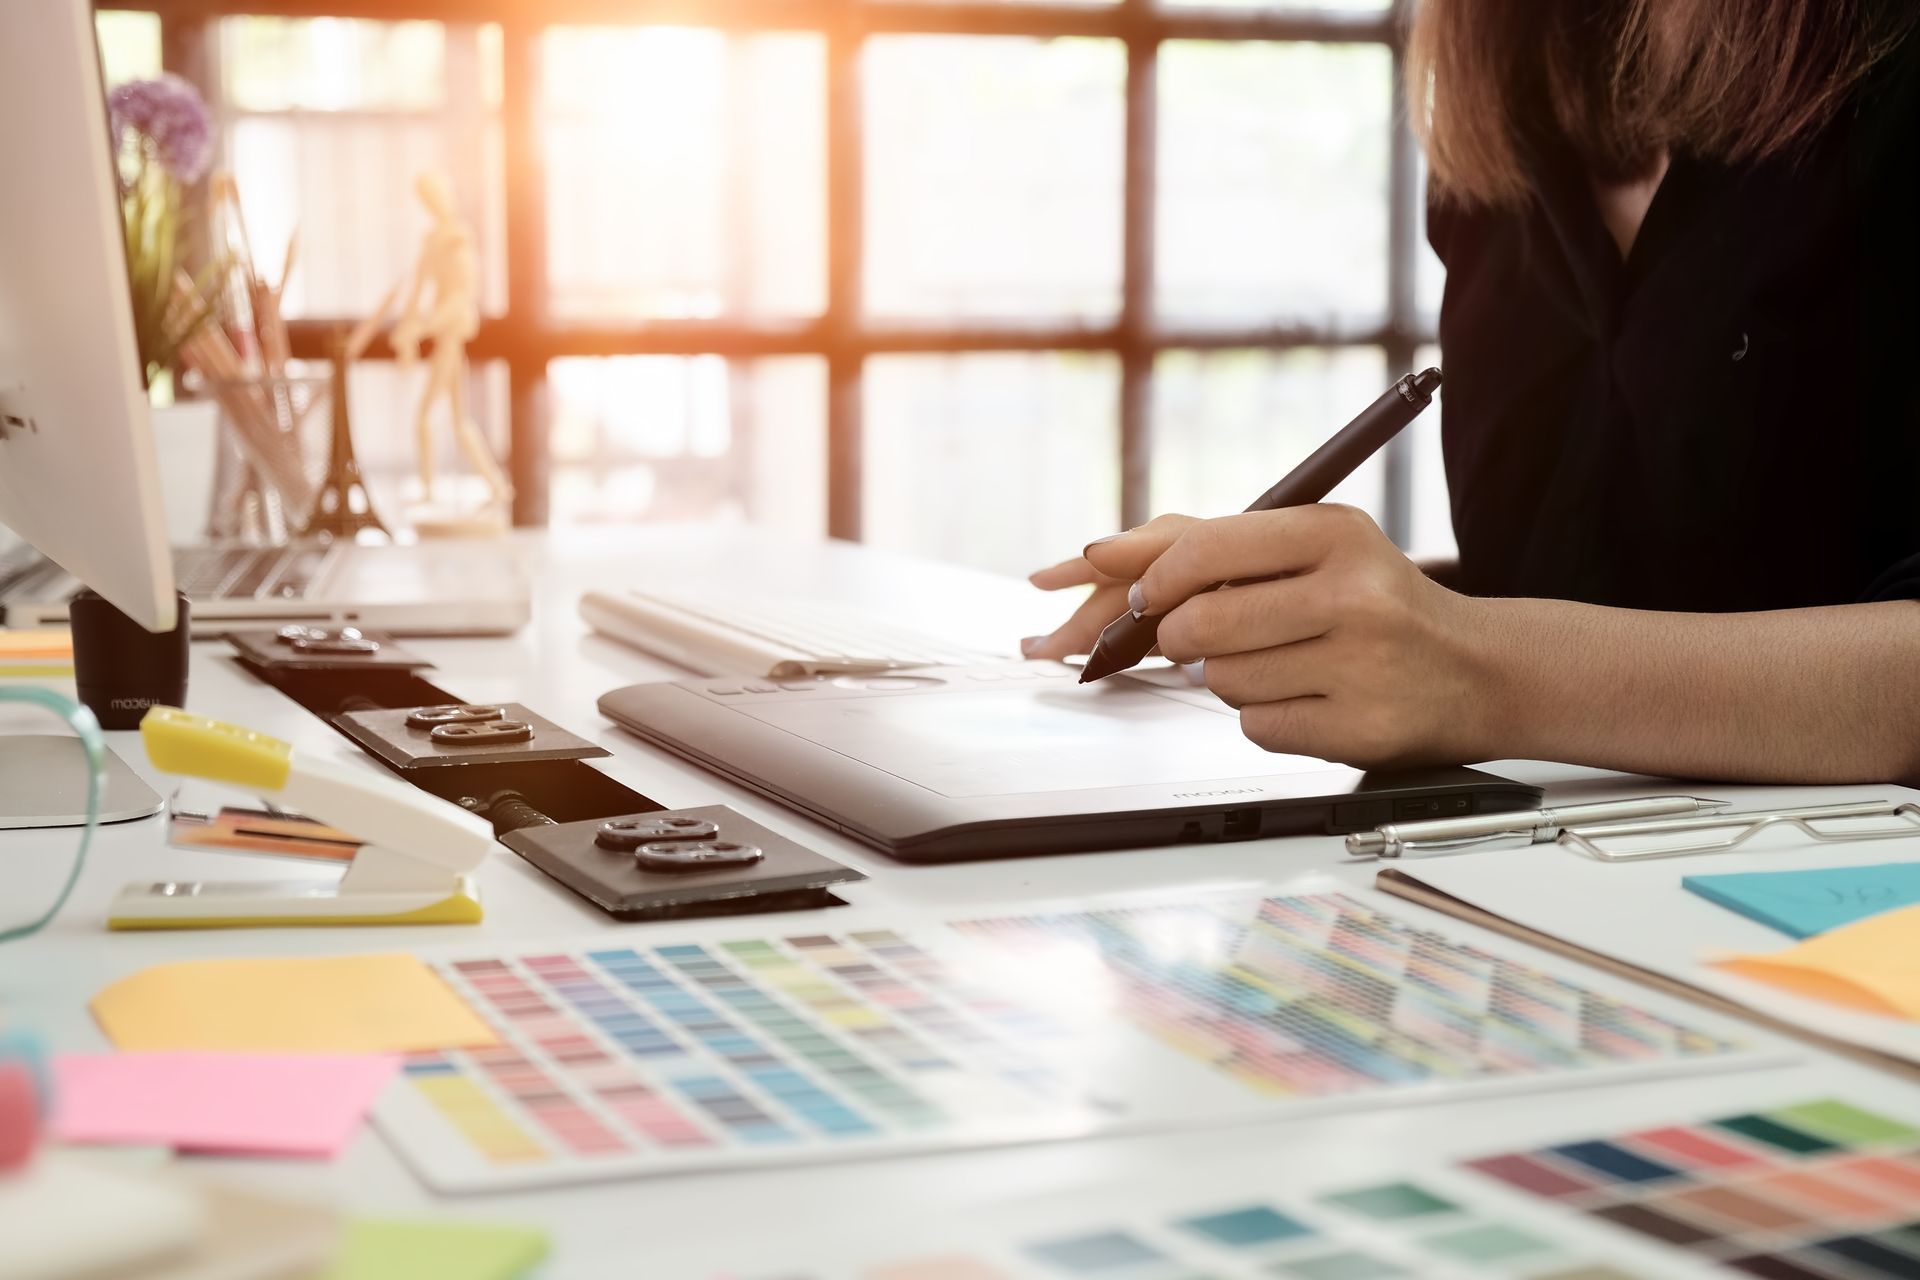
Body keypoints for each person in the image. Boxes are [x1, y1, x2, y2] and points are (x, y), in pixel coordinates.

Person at [1023, 0, 1920, 786]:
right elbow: (1619, 580)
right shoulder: (1513, 103)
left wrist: (1481, 669)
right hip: (1544, 878)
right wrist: (1278, 603)